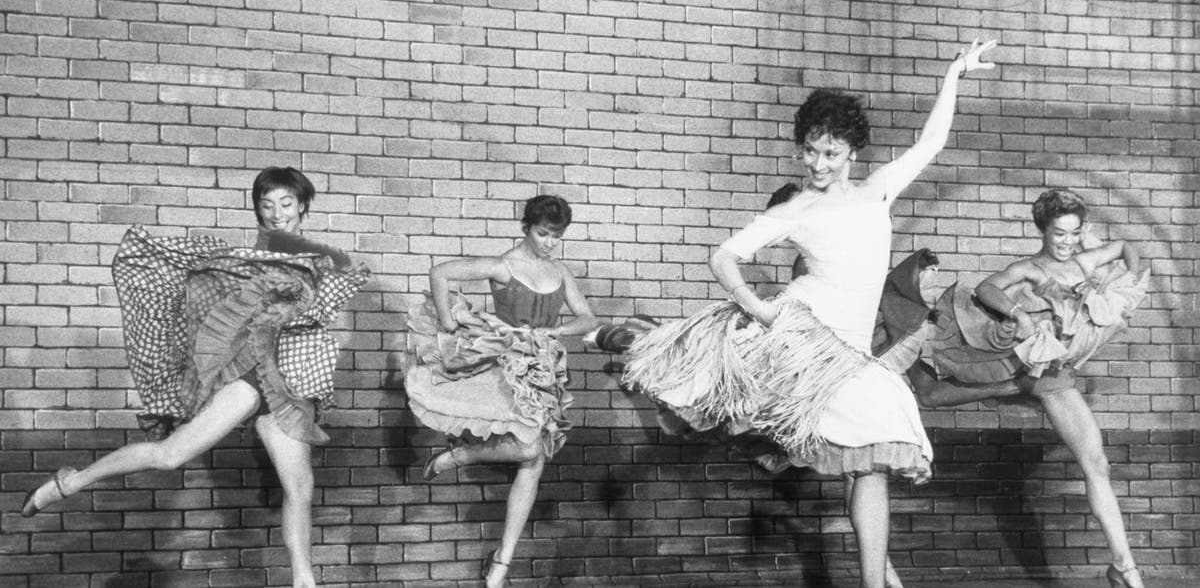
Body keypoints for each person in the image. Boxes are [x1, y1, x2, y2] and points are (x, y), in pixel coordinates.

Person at [620, 39, 998, 588]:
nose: (818, 164)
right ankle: (620, 338)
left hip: (848, 352)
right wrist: (759, 311)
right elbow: (724, 256)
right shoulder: (798, 207)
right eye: (811, 151)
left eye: (831, 153)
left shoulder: (877, 191)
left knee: (872, 458)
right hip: (802, 334)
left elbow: (931, 142)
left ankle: (876, 581)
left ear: (853, 153)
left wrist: (954, 74)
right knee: (692, 382)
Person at [20, 167, 369, 588]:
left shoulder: (314, 259)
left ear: (302, 206)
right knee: (170, 456)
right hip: (253, 373)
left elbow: (337, 276)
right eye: (267, 205)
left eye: (286, 204)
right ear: (258, 211)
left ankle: (304, 583)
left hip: (291, 385)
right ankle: (70, 481)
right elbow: (248, 300)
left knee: (301, 490)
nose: (277, 213)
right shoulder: (258, 256)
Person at [903, 188, 1148, 588]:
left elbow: (1124, 247)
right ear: (1042, 231)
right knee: (936, 392)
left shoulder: (1085, 259)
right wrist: (1021, 315)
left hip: (1056, 375)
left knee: (1097, 464)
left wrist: (1127, 291)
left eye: (1073, 233)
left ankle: (1124, 568)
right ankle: (905, 346)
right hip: (1042, 368)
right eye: (1058, 234)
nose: (1067, 243)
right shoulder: (1032, 268)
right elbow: (986, 288)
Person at [403, 194, 599, 588]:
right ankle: (458, 457)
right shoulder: (505, 265)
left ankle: (501, 564)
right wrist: (447, 322)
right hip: (505, 368)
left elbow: (587, 317)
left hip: (543, 371)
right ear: (526, 227)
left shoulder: (559, 270)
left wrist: (559, 331)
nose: (549, 242)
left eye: (556, 236)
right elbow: (440, 272)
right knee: (529, 449)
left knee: (534, 461)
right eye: (543, 233)